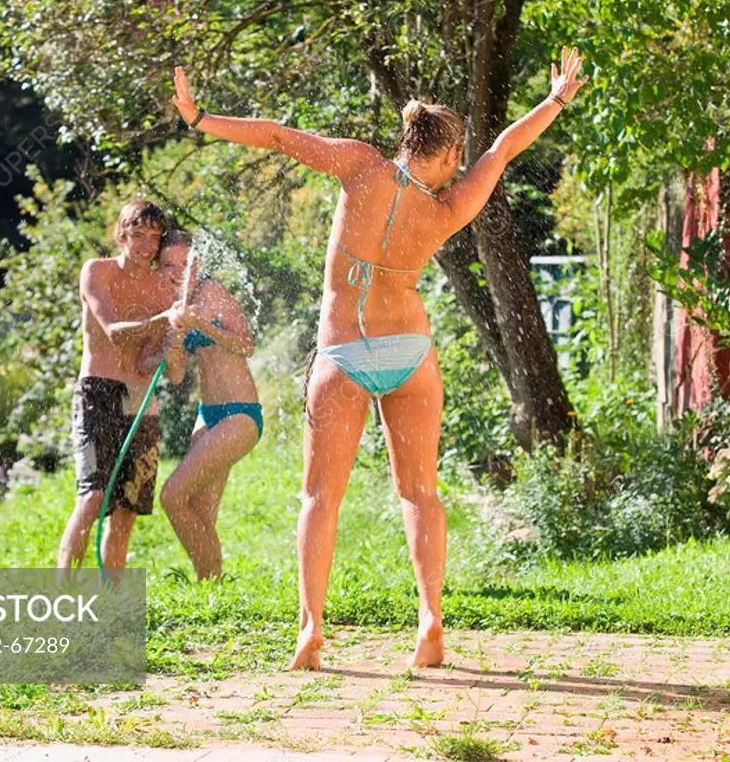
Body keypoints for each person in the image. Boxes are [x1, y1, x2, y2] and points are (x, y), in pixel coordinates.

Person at [171, 46, 588, 669]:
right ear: (446, 154)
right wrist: (553, 100)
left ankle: (311, 630)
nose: (460, 166)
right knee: (420, 493)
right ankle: (431, 622)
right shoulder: (447, 206)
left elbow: (282, 137)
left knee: (319, 498)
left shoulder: (361, 166)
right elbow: (503, 149)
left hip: (343, 353)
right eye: (457, 157)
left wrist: (202, 118)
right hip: (410, 353)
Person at [56, 199, 177, 580]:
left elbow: (149, 361)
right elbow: (112, 331)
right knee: (92, 498)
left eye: (154, 238)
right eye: (138, 235)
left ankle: (111, 602)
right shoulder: (97, 272)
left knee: (126, 512)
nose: (146, 246)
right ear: (122, 234)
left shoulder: (163, 289)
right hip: (97, 394)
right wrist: (163, 318)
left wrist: (169, 346)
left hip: (143, 402)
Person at [138, 229, 262, 580]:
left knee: (171, 496)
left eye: (182, 263)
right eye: (167, 265)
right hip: (208, 415)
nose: (175, 272)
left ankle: (212, 580)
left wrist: (203, 324)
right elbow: (176, 377)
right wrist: (173, 353)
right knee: (200, 511)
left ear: (197, 264)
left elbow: (247, 345)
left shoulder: (212, 294)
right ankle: (210, 585)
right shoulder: (173, 309)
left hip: (241, 413)